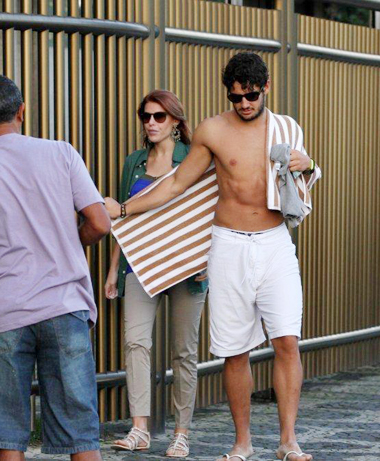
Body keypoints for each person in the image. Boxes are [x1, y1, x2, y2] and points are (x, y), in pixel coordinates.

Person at [105, 52, 319, 461]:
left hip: (274, 241)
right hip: (228, 244)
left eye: (251, 95)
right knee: (234, 349)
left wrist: (308, 164)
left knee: (287, 341)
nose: (244, 103)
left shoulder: (287, 128)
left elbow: (303, 177)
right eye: (236, 96)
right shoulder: (212, 131)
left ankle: (289, 440)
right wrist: (126, 210)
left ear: (266, 88)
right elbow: (176, 186)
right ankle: (242, 443)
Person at [0, 75, 110, 461]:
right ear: (21, 111)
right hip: (64, 305)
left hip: (3, 311)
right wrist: (66, 243)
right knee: (81, 436)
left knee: (7, 439)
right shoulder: (62, 153)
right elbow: (99, 223)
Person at [105, 90, 208, 458]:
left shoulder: (195, 158)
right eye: (146, 116)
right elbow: (122, 217)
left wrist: (207, 259)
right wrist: (114, 269)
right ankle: (139, 428)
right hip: (139, 266)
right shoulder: (134, 161)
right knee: (135, 343)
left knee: (183, 352)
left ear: (176, 122)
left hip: (187, 268)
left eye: (159, 116)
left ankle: (181, 432)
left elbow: (210, 211)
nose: (151, 122)